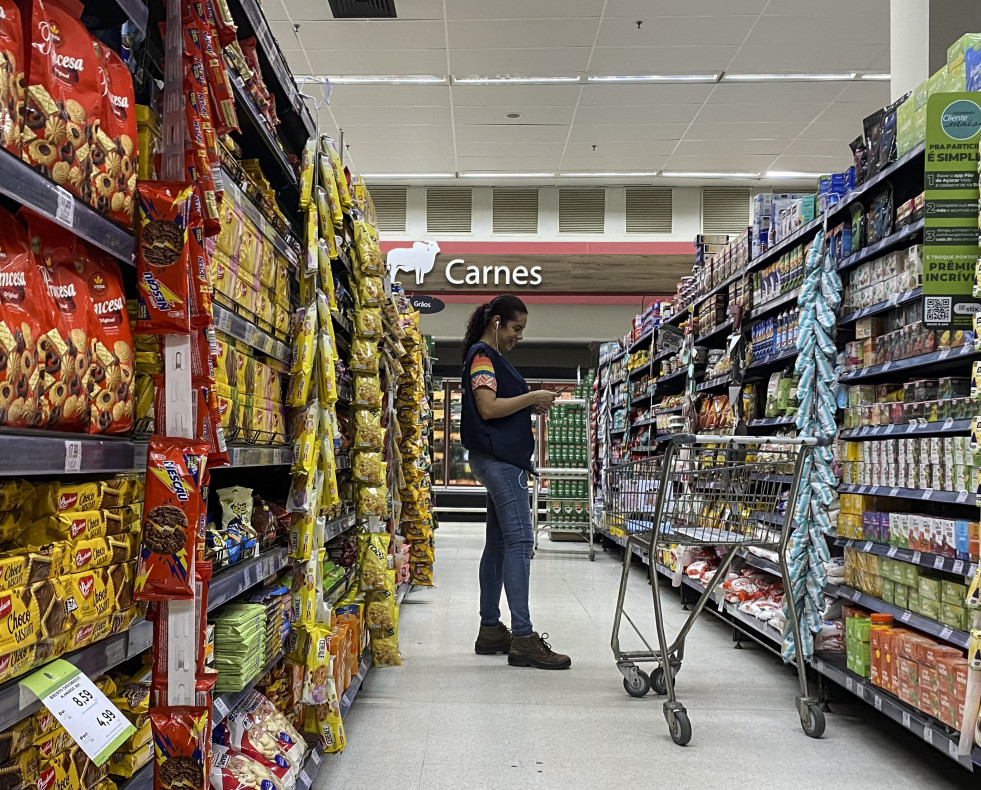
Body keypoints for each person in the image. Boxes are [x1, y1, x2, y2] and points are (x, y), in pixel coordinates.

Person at [460, 294, 571, 670]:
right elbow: (487, 408)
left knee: (498, 545)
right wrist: (531, 397)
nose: (519, 336)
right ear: (497, 323)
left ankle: (490, 629)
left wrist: (529, 402)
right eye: (516, 328)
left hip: (499, 460)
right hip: (501, 462)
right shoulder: (482, 357)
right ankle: (523, 637)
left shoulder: (492, 359)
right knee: (521, 542)